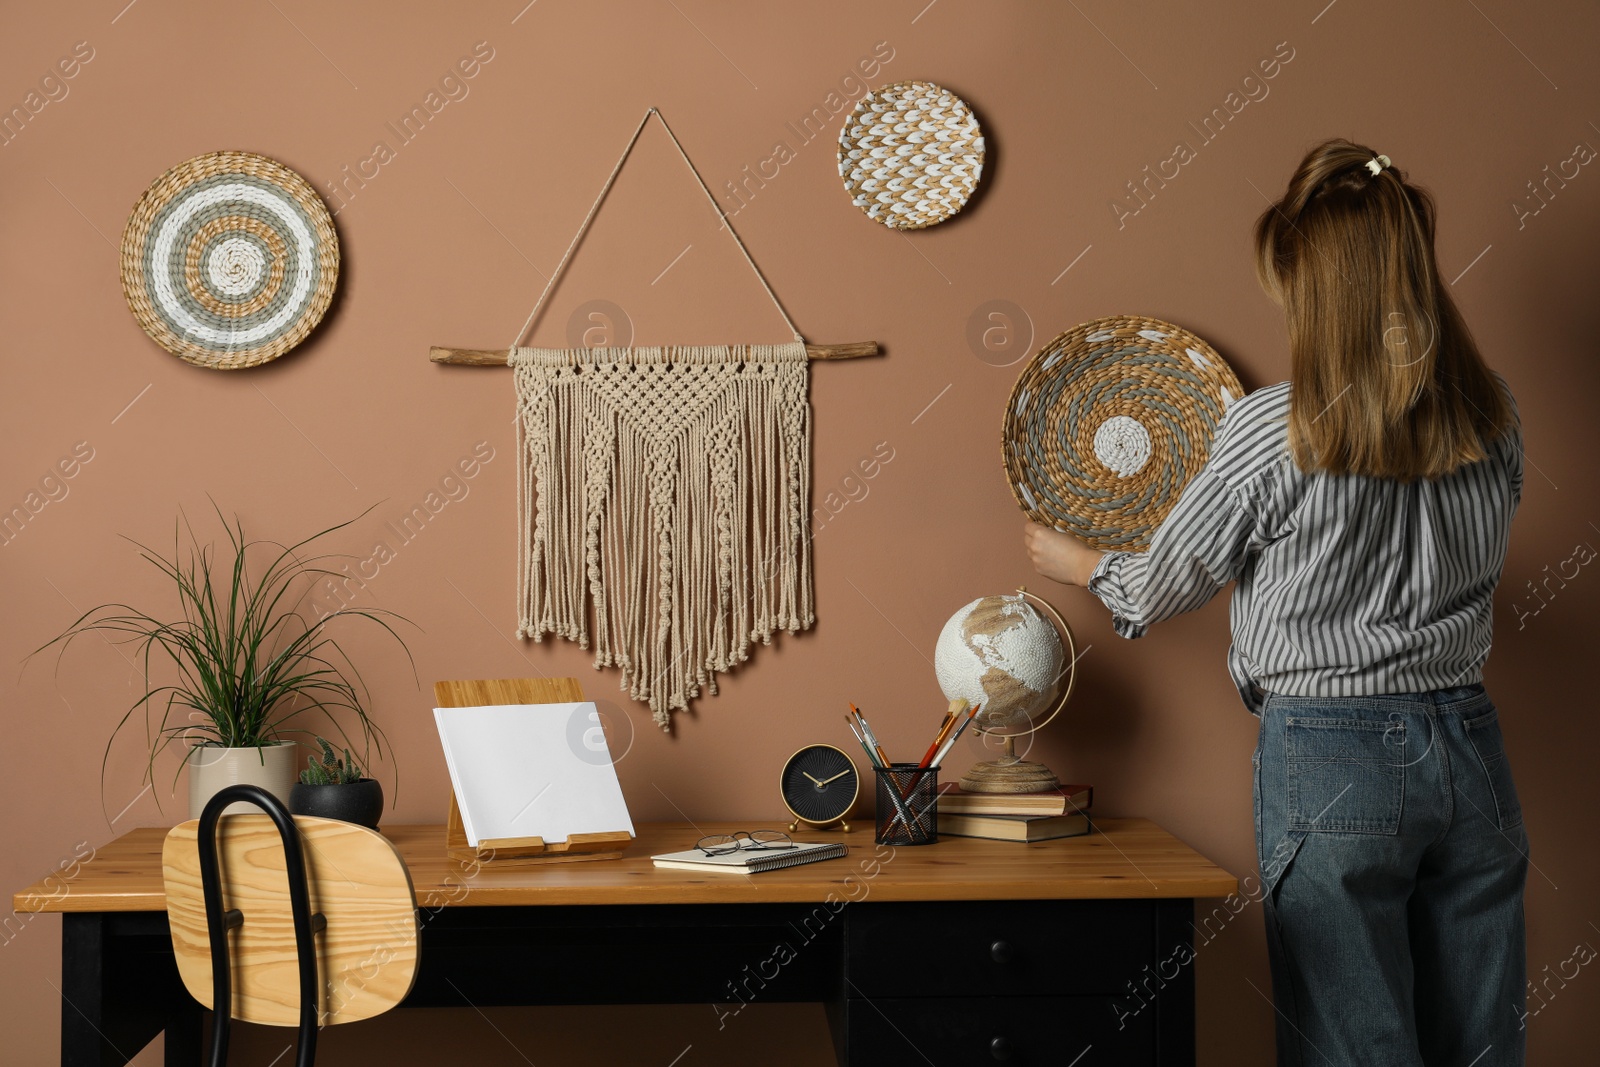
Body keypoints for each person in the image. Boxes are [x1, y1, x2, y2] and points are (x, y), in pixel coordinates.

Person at [1024, 139, 1528, 1067]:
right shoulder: (1491, 414)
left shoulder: (1274, 429)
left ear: (1317, 291)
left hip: (1332, 753)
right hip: (1472, 744)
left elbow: (1158, 587)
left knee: (1353, 1045)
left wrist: (1087, 561)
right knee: (1483, 1042)